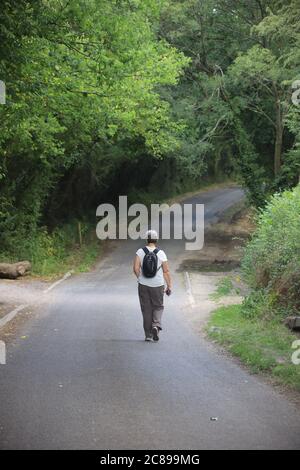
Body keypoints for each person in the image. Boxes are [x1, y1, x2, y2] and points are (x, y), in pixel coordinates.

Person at [133, 230, 172, 342]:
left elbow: (135, 269)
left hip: (143, 285)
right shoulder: (161, 253)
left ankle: (148, 335)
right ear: (156, 240)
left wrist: (140, 278)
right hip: (158, 285)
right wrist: (169, 285)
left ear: (147, 239)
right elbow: (166, 271)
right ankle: (156, 325)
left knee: (146, 309)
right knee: (158, 306)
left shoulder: (140, 252)